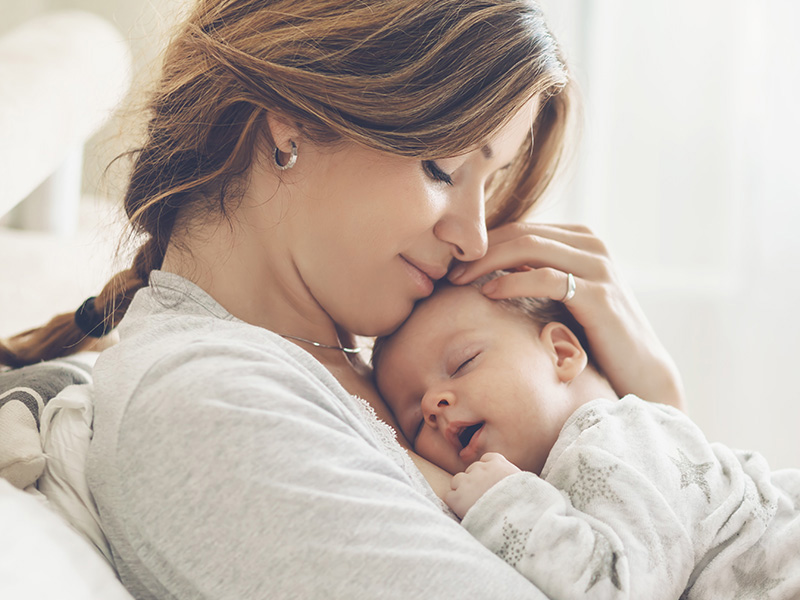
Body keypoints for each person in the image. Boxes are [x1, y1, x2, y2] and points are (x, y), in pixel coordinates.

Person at [0, 0, 686, 598]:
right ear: (289, 126)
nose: (475, 237)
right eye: (444, 168)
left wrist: (646, 406)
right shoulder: (210, 404)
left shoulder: (402, 364)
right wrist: (660, 413)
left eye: (492, 181)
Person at [372, 273, 800, 600]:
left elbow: (620, 590)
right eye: (415, 422)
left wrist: (504, 502)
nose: (432, 404)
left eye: (463, 363)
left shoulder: (615, 437)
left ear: (561, 353)